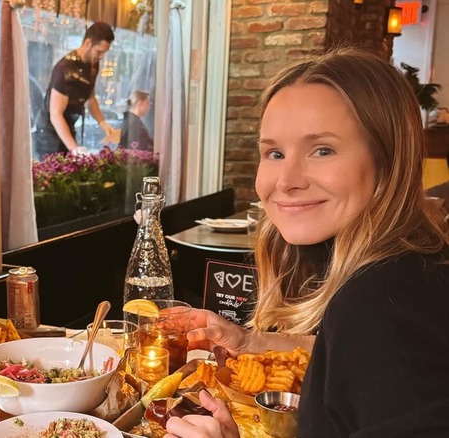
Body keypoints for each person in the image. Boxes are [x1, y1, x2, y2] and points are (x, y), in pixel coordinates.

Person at [166, 48, 449, 437]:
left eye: (322, 150)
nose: (286, 180)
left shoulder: (382, 303)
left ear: (390, 161)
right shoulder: (410, 272)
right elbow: (361, 368)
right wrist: (253, 342)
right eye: (275, 152)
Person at [33, 21, 115, 160]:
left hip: (68, 126)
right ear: (88, 43)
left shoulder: (92, 66)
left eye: (104, 53)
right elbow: (55, 114)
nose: (101, 57)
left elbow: (90, 97)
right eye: (99, 52)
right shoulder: (65, 69)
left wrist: (102, 123)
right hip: (49, 133)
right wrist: (74, 149)